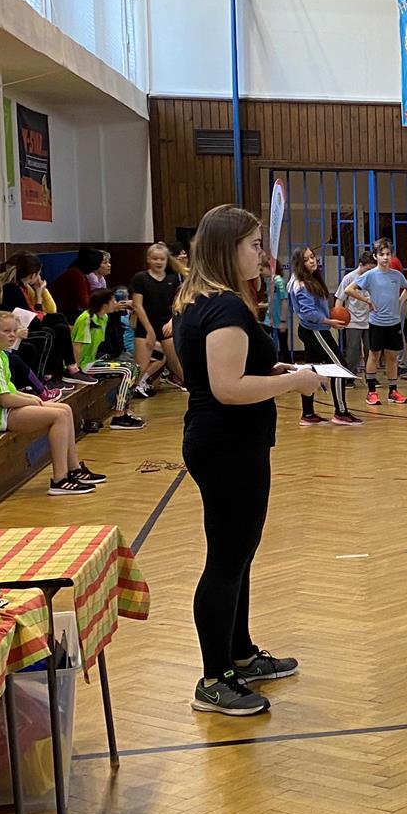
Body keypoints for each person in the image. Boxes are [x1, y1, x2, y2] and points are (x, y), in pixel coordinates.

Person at [173, 207, 316, 716]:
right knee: (226, 561)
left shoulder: (202, 300)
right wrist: (295, 382)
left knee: (239, 554)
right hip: (225, 444)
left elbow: (227, 369)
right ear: (227, 248)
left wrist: (270, 369)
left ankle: (240, 655)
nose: (262, 253)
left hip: (228, 441)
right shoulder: (225, 307)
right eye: (254, 244)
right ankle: (214, 680)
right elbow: (227, 388)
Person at [0, 311, 102, 496]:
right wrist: (34, 400)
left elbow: (8, 390)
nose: (12, 335)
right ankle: (59, 480)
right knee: (58, 416)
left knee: (65, 409)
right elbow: (4, 399)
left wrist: (33, 399)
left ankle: (74, 469)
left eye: (14, 330)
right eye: (6, 331)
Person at [287, 247, 360, 427]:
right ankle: (341, 413)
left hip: (311, 329)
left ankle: (308, 414)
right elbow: (308, 313)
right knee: (339, 367)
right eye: (306, 259)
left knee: (312, 370)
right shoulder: (302, 285)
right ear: (299, 263)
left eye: (312, 257)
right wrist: (329, 321)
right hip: (315, 331)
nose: (312, 261)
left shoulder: (307, 280)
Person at [0, 253, 82, 383]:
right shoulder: (13, 289)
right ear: (33, 275)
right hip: (17, 330)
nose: (40, 277)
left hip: (27, 325)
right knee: (54, 327)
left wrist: (40, 292)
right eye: (38, 274)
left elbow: (47, 310)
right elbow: (35, 319)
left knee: (60, 326)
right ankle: (48, 376)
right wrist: (39, 294)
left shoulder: (24, 287)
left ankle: (64, 370)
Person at [70, 292, 146, 430]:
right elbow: (77, 346)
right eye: (113, 301)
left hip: (93, 360)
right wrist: (77, 372)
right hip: (84, 365)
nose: (115, 304)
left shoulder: (103, 318)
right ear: (105, 304)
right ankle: (119, 415)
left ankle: (124, 410)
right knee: (128, 370)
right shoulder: (86, 319)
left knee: (134, 367)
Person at [349, 240, 407, 405]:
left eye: (388, 254)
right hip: (377, 322)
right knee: (374, 355)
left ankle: (393, 391)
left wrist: (400, 301)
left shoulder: (396, 275)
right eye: (381, 254)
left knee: (392, 356)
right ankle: (371, 391)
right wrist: (367, 300)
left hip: (393, 322)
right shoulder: (370, 275)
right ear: (375, 256)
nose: (385, 257)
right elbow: (349, 289)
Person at [129, 243, 184, 396]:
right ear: (148, 259)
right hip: (145, 328)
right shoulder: (140, 278)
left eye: (162, 259)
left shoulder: (173, 279)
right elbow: (137, 305)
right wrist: (150, 331)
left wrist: (172, 322)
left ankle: (195, 391)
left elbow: (178, 304)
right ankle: (127, 397)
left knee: (177, 363)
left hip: (166, 327)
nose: (158, 262)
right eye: (155, 259)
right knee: (140, 367)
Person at [51, 247, 99, 320]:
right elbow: (85, 303)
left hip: (68, 311)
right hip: (64, 314)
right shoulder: (76, 274)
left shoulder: (78, 273)